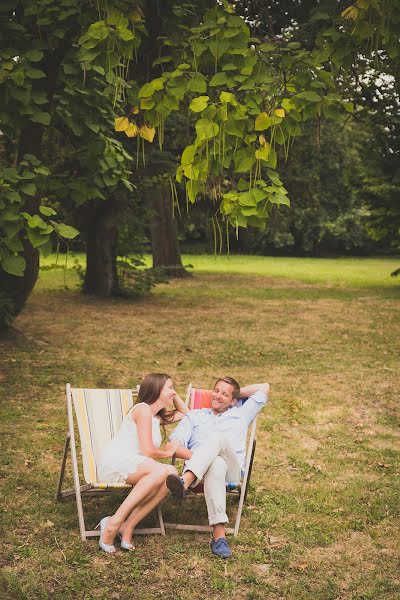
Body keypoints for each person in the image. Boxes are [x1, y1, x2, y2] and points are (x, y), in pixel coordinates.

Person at [167, 377, 269, 559]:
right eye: (216, 391)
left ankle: (185, 482)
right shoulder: (194, 416)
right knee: (216, 463)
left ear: (233, 400)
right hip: (204, 470)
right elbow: (174, 445)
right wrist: (203, 458)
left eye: (225, 394)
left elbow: (264, 387)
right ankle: (219, 537)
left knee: (218, 439)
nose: (218, 396)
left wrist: (236, 394)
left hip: (232, 472)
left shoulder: (241, 413)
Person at [96, 373, 185, 553]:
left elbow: (185, 413)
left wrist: (173, 394)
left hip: (138, 465)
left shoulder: (157, 417)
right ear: (156, 388)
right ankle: (113, 523)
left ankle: (127, 526)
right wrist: (168, 451)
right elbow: (147, 450)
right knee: (165, 471)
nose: (173, 392)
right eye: (169, 387)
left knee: (169, 472)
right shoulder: (142, 409)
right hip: (117, 461)